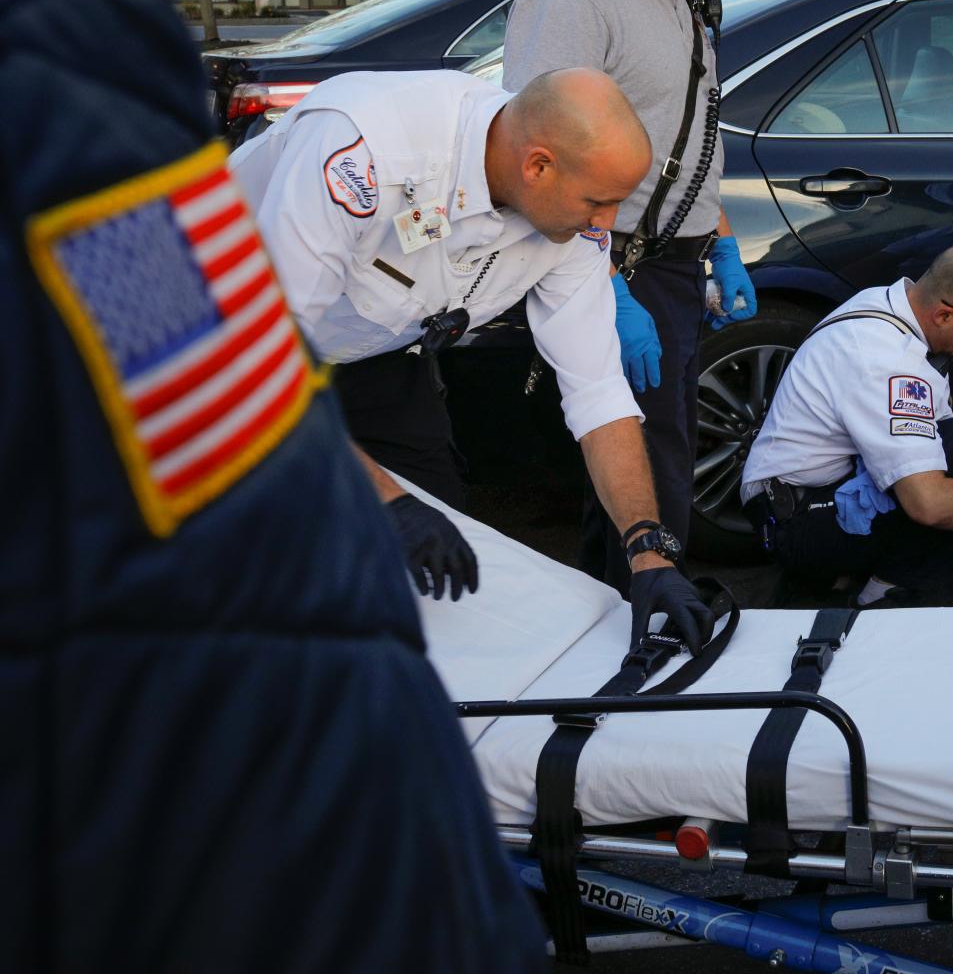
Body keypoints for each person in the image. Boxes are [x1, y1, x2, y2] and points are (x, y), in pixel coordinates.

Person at [3, 0, 544, 968]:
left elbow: (232, 434)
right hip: (329, 847)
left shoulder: (76, 135)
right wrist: (377, 500)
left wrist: (645, 550)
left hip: (310, 845)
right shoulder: (94, 139)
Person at [230, 67, 712, 649]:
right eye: (598, 202)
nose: (605, 224)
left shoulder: (569, 223)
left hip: (374, 351)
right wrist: (387, 501)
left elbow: (598, 394)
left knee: (445, 557)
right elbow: (261, 370)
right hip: (214, 349)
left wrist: (647, 550)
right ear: (538, 166)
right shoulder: (365, 148)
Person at [503, 0, 759, 596]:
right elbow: (532, 151)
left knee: (658, 444)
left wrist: (719, 239)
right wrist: (609, 285)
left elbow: (691, 134)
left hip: (672, 261)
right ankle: (651, 608)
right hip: (608, 251)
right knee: (650, 450)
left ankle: (617, 604)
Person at [740, 244, 953, 606]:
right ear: (945, 315)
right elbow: (927, 503)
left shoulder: (890, 305)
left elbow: (940, 437)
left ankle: (876, 574)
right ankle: (888, 598)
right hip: (798, 524)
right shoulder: (884, 359)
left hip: (816, 492)